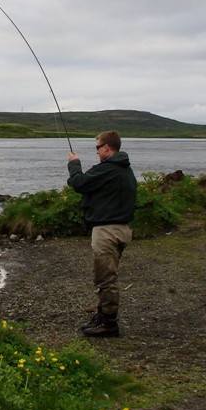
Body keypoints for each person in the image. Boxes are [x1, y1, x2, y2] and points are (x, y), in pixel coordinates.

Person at [67, 130, 137, 338]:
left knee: (105, 279)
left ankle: (109, 323)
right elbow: (84, 184)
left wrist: (74, 163)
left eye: (97, 147)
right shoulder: (123, 169)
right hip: (120, 229)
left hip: (107, 231)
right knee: (105, 276)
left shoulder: (109, 169)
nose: (96, 151)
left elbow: (79, 183)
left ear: (107, 147)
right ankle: (101, 314)